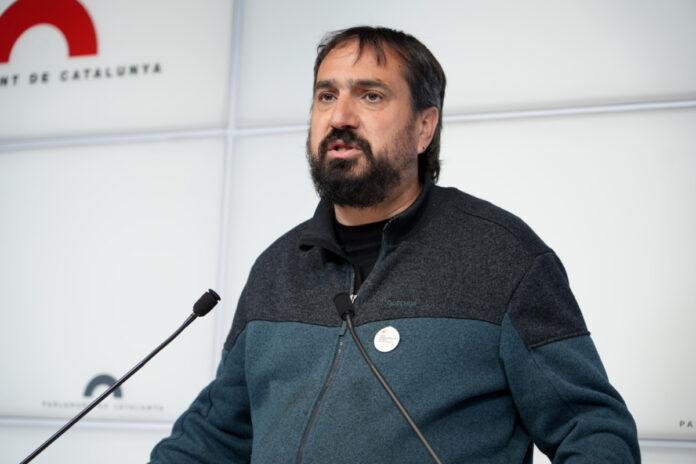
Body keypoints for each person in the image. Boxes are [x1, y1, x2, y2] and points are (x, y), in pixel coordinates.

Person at [150, 26, 640, 463]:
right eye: (326, 96)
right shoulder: (277, 267)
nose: (340, 116)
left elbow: (592, 430)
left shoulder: (504, 256)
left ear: (424, 127)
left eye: (370, 96)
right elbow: (215, 436)